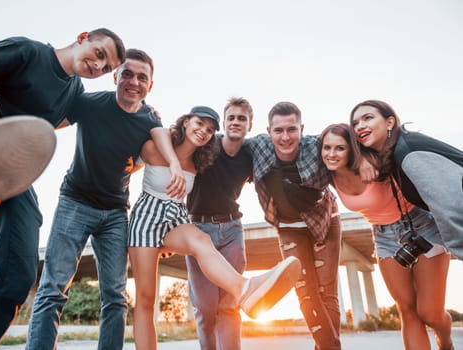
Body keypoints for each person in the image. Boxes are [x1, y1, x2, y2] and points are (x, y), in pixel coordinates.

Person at [0, 48, 187, 349]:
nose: (133, 82)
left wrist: (174, 174)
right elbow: (42, 118)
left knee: (115, 295)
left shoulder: (149, 118)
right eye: (127, 74)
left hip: (114, 213)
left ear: (150, 86)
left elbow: (163, 139)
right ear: (115, 76)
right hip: (75, 202)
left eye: (142, 77)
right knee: (53, 289)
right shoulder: (90, 103)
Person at [0, 29, 126, 349]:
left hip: (17, 174)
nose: (99, 67)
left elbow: (111, 109)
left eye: (107, 68)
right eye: (99, 54)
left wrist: (150, 115)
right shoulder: (27, 52)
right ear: (83, 38)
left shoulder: (75, 94)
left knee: (15, 283)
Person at [128, 105, 302, 350]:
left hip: (176, 218)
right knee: (146, 299)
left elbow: (238, 153)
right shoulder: (155, 146)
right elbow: (157, 131)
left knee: (202, 242)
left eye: (209, 130)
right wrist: (174, 164)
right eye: (199, 123)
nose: (203, 131)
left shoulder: (200, 162)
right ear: (186, 121)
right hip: (146, 219)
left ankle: (244, 289)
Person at [320, 123, 453, 350]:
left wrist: (366, 156)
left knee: (430, 312)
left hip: (420, 226)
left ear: (352, 148)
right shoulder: (327, 174)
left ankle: (445, 341)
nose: (331, 154)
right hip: (383, 235)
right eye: (327, 147)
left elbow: (393, 138)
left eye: (340, 148)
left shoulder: (374, 160)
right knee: (407, 310)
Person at [247, 101, 342, 350]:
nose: (285, 137)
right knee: (306, 292)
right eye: (278, 130)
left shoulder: (318, 146)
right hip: (288, 226)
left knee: (327, 292)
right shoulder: (258, 147)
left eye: (292, 129)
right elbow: (223, 144)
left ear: (302, 128)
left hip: (325, 219)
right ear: (268, 132)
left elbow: (350, 147)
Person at [349, 100, 463, 260]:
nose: (359, 126)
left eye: (368, 118)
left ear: (389, 122)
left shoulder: (409, 152)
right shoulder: (398, 151)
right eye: (355, 123)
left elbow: (452, 208)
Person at [185, 97, 253, 350]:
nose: (236, 122)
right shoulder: (206, 144)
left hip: (233, 230)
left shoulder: (251, 153)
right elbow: (181, 138)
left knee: (230, 304)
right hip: (199, 230)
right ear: (224, 123)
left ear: (250, 125)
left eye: (242, 118)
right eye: (232, 118)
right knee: (204, 307)